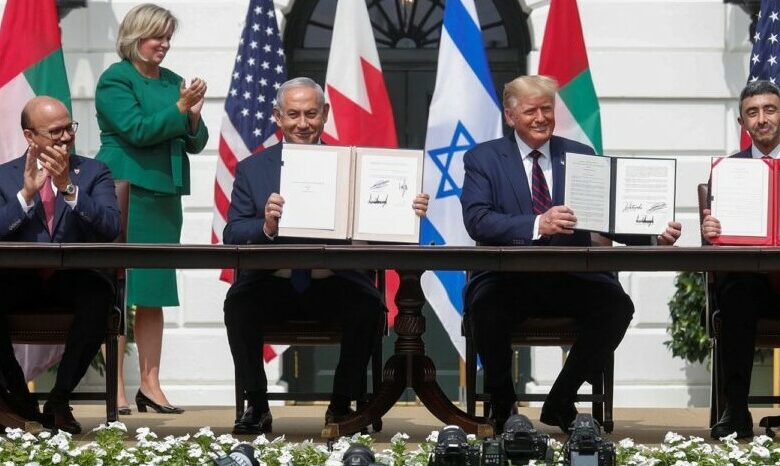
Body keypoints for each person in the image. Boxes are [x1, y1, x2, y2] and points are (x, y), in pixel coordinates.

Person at [460, 75, 682, 433]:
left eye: (547, 109)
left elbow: (607, 217)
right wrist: (538, 223)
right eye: (531, 111)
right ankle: (503, 406)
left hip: (569, 277)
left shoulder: (580, 155)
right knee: (485, 308)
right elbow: (478, 221)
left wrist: (653, 234)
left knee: (617, 307)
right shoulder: (483, 158)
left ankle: (561, 400)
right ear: (510, 116)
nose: (540, 118)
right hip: (508, 277)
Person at [223, 77, 429, 435]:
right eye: (293, 114)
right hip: (273, 283)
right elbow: (233, 234)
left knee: (369, 306)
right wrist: (266, 226)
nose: (303, 123)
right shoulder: (252, 169)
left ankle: (343, 405)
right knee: (238, 305)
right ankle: (256, 404)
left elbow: (379, 228)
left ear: (326, 114)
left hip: (335, 282)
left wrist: (405, 211)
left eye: (311, 114)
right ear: (277, 116)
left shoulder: (353, 165)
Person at [95, 3, 208, 415]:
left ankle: (150, 385)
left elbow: (196, 141)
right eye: (157, 36)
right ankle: (116, 388)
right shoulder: (115, 79)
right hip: (127, 192)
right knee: (120, 291)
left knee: (154, 293)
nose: (164, 44)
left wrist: (192, 117)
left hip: (164, 195)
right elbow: (137, 131)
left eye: (167, 37)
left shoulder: (174, 82)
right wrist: (179, 110)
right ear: (135, 37)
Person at [0, 96, 121, 434]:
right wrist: (25, 196)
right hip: (20, 280)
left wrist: (69, 187)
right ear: (29, 136)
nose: (66, 136)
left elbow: (110, 227)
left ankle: (59, 399)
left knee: (100, 296)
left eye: (69, 128)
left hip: (74, 279)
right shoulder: (5, 176)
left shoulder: (94, 172)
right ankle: (19, 399)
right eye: (55, 132)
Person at [701, 79, 780, 439]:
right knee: (736, 294)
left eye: (770, 109)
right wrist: (710, 231)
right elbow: (713, 244)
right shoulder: (727, 171)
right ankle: (735, 410)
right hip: (751, 286)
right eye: (753, 112)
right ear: (742, 122)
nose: (762, 119)